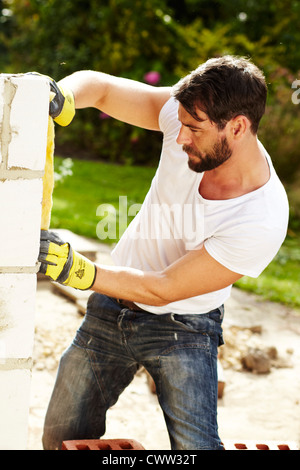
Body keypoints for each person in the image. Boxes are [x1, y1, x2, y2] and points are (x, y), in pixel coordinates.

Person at [39, 55, 289, 450]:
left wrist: (76, 269)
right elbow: (102, 87)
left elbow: (165, 287)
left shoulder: (261, 217)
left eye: (193, 129)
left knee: (196, 450)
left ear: (238, 127)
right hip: (112, 306)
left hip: (184, 327)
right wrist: (64, 95)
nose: (179, 137)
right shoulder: (186, 116)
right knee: (60, 440)